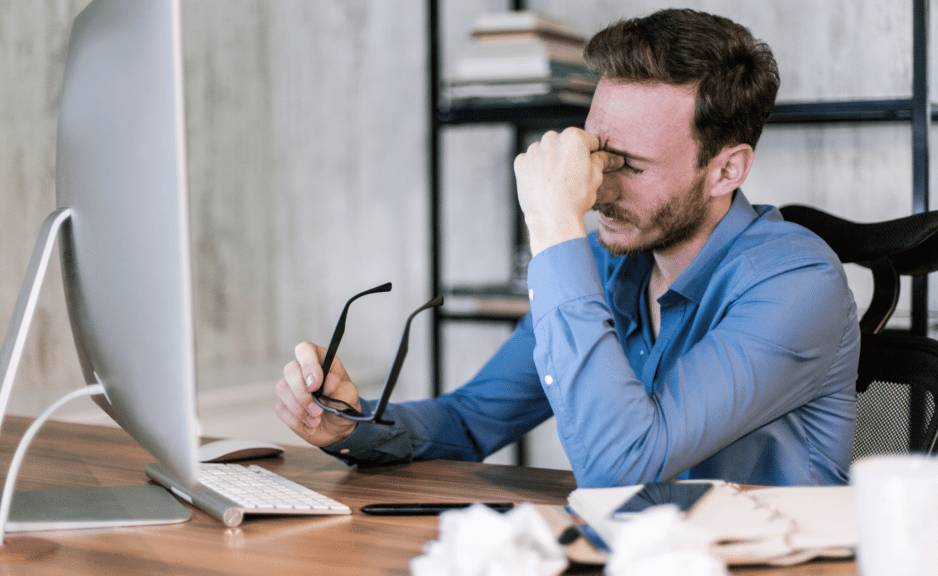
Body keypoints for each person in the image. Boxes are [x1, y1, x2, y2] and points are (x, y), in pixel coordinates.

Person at [274, 8, 860, 488]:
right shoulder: (607, 263)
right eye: (595, 153)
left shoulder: (798, 282)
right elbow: (472, 419)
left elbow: (621, 465)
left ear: (726, 169)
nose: (596, 186)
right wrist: (349, 424)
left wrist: (552, 221)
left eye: (627, 165)